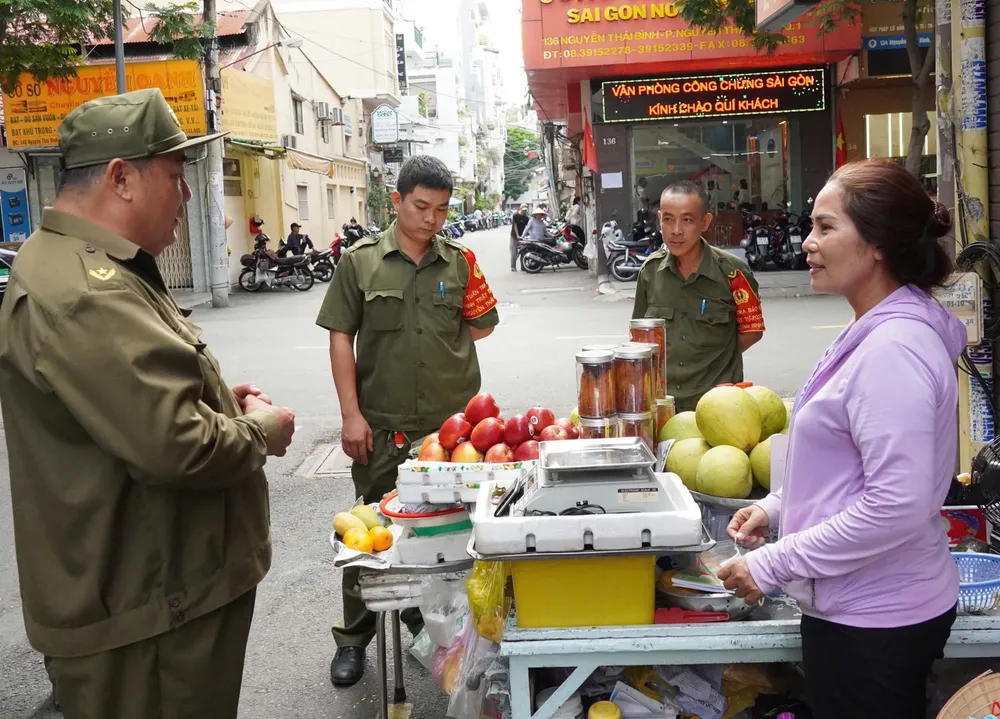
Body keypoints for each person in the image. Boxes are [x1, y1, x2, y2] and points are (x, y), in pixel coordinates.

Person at [0, 88, 297, 719]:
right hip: (148, 615)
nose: (187, 196)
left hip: (154, 598)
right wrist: (261, 431)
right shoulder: (88, 291)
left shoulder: (95, 266)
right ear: (121, 178)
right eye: (174, 175)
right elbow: (178, 446)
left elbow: (137, 400)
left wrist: (221, 400)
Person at [719, 159, 961, 719]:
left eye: (826, 228)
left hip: (875, 619)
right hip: (861, 609)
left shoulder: (892, 348)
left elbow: (896, 502)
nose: (807, 243)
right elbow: (855, 466)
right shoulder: (874, 326)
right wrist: (779, 507)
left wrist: (771, 564)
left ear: (876, 245)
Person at [317, 155, 500, 687]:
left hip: (454, 436)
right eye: (421, 206)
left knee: (456, 535)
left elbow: (482, 326)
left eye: (442, 209)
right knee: (368, 535)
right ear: (396, 201)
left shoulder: (462, 261)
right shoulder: (360, 262)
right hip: (384, 428)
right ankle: (354, 641)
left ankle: (443, 628)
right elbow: (339, 336)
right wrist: (351, 416)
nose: (432, 219)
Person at [632, 181, 764, 412]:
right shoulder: (650, 272)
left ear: (705, 222)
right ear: (659, 220)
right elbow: (640, 337)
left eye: (687, 220)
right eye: (668, 219)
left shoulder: (733, 272)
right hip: (664, 405)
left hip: (720, 405)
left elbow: (752, 331)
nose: (676, 231)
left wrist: (713, 362)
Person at [510, 204, 529, 271]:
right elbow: (515, 226)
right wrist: (517, 235)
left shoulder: (526, 218)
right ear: (520, 209)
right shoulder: (515, 215)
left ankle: (523, 266)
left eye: (525, 210)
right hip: (514, 236)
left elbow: (527, 227)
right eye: (523, 210)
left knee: (523, 251)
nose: (524, 211)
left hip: (522, 237)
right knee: (514, 252)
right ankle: (513, 267)